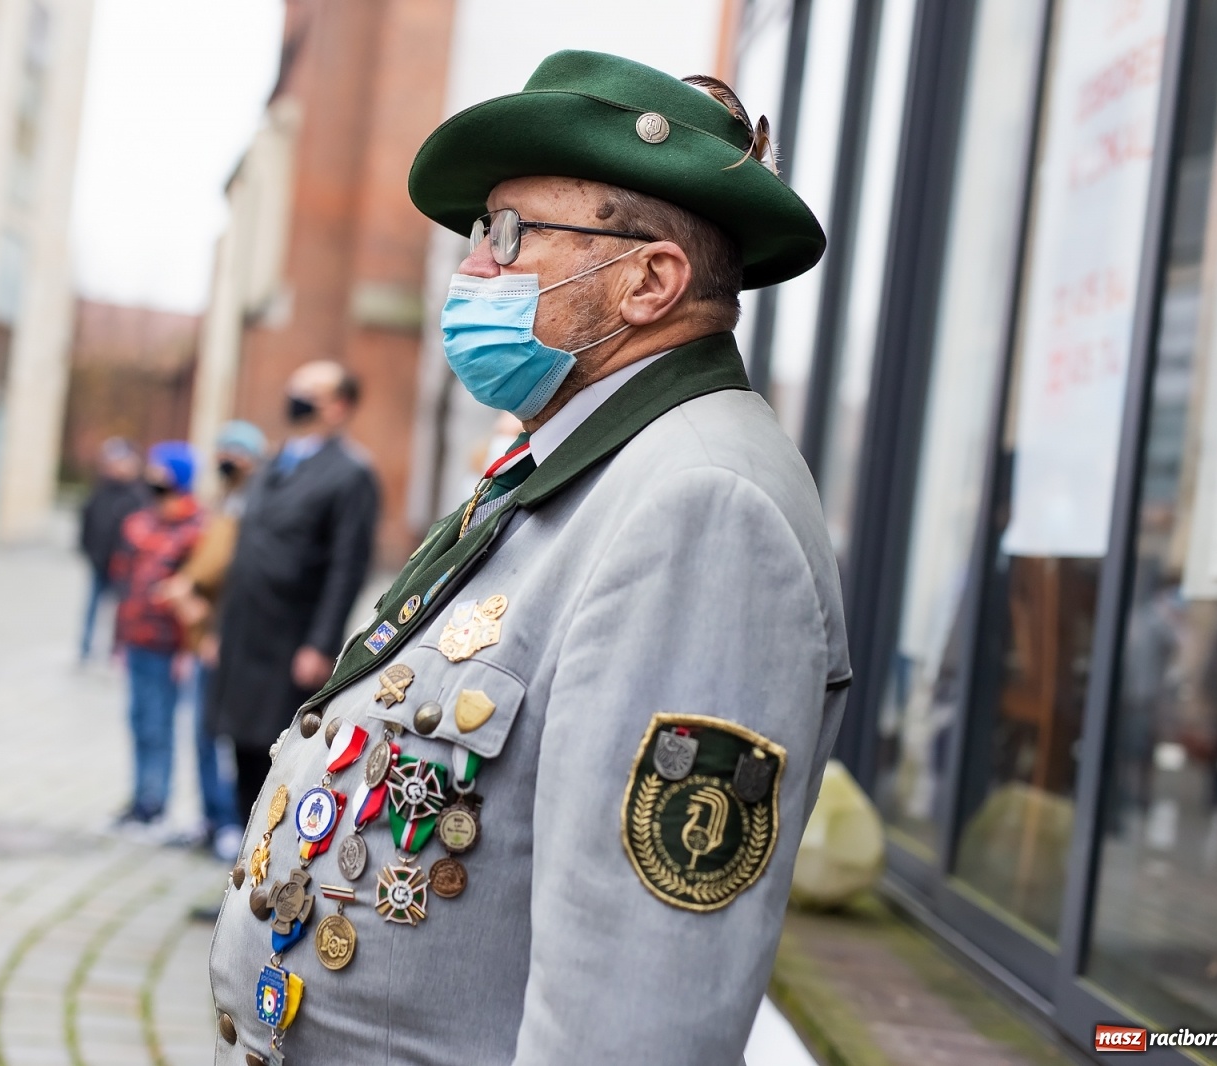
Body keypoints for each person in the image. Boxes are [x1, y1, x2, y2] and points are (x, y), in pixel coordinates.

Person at [206, 52, 849, 1066]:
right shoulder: (577, 459)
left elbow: (635, 1010)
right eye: (477, 233)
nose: (473, 269)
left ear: (650, 280)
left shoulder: (701, 505)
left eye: (509, 234)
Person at [207, 362, 380, 821]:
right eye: (294, 387)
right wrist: (216, 628)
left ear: (338, 407)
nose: (296, 397)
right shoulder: (271, 464)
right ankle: (237, 874)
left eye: (311, 391)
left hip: (289, 640)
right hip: (245, 634)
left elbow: (348, 566)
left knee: (277, 761)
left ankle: (268, 878)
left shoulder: (350, 474)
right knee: (238, 749)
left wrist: (321, 644)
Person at [159, 421, 268, 863]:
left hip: (230, 638)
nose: (228, 457)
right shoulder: (225, 502)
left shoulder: (254, 506)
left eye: (237, 451)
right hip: (205, 635)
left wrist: (195, 600)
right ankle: (211, 815)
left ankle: (229, 821)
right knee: (202, 731)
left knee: (224, 733)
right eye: (223, 448)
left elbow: (229, 570)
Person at [112, 440, 203, 831]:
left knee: (159, 723)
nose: (153, 478)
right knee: (136, 719)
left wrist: (189, 649)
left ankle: (156, 802)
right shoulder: (140, 521)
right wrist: (118, 638)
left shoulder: (197, 529)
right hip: (137, 637)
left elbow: (199, 589)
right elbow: (125, 581)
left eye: (161, 471)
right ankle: (139, 796)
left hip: (170, 644)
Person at [77, 438, 148, 660]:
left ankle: (115, 649)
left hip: (122, 563)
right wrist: (87, 549)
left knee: (120, 608)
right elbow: (87, 520)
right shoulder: (101, 490)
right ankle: (86, 647)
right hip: (99, 559)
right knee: (92, 605)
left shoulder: (138, 494)